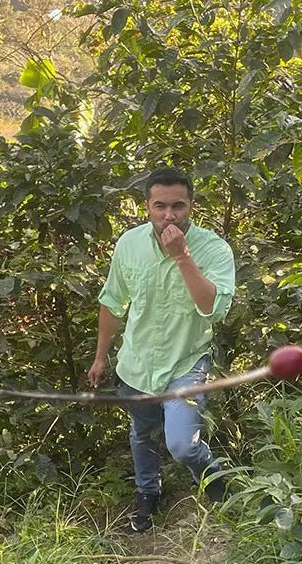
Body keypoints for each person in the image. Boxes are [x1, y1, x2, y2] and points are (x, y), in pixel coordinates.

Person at [87, 166, 236, 532]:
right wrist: (100, 356)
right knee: (142, 434)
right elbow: (112, 302)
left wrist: (183, 257)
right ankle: (147, 494)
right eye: (160, 206)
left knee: (183, 445)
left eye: (178, 206)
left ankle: (222, 486)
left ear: (191, 206)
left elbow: (211, 308)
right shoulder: (129, 244)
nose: (169, 215)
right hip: (136, 363)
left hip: (186, 363)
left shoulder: (215, 249)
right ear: (147, 206)